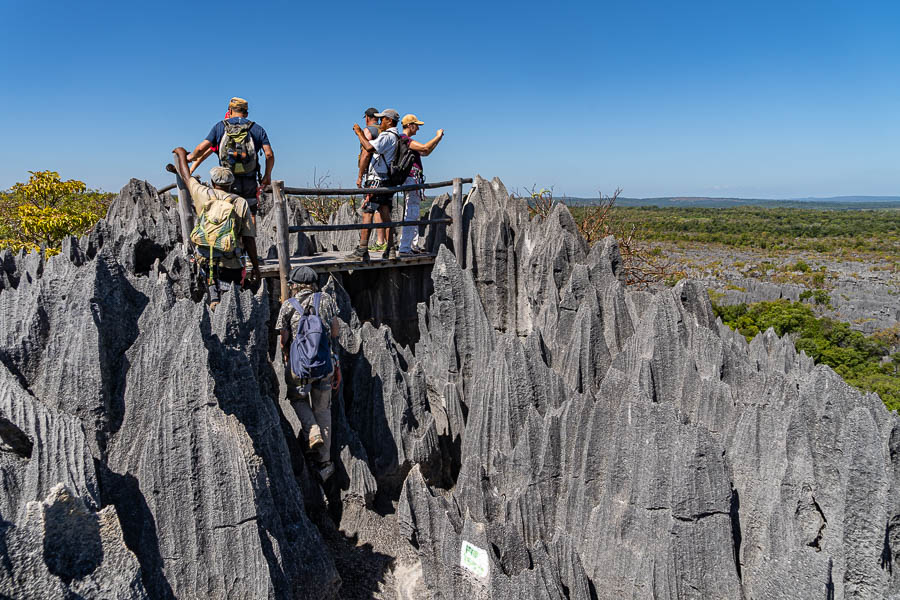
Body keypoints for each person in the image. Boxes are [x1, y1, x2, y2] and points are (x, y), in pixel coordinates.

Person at [171, 147, 261, 312]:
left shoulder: (202, 193)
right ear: (231, 184)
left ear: (213, 182)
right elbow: (249, 239)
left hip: (205, 259)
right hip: (231, 263)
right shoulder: (240, 202)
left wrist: (182, 153)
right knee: (232, 307)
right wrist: (255, 266)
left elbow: (186, 175)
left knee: (210, 302)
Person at [275, 266, 341, 481]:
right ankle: (325, 463)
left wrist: (287, 355)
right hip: (325, 366)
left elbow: (284, 339)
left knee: (296, 398)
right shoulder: (327, 300)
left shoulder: (288, 306)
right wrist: (336, 363)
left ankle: (311, 430)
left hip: (299, 368)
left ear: (294, 285)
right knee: (323, 411)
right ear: (314, 283)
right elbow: (334, 332)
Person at [188, 97, 275, 222]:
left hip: (226, 179)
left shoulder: (220, 127)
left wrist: (190, 157)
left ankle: (229, 240)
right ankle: (249, 240)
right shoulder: (257, 129)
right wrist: (267, 175)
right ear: (246, 113)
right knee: (250, 213)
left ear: (229, 110)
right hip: (249, 178)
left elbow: (202, 149)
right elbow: (269, 155)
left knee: (226, 211)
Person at [347, 109, 402, 261]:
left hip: (376, 180)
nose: (380, 122)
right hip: (387, 180)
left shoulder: (387, 135)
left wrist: (358, 133)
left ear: (389, 121)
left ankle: (362, 250)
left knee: (367, 212)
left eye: (382, 119)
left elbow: (369, 148)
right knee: (385, 214)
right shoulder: (397, 136)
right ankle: (390, 249)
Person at [397, 114, 444, 256]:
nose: (418, 128)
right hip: (411, 178)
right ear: (410, 125)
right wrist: (437, 137)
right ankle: (405, 248)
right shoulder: (404, 139)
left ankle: (413, 245)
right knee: (411, 212)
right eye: (416, 125)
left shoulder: (408, 141)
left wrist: (438, 140)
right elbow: (424, 147)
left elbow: (426, 152)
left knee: (414, 211)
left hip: (414, 178)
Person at [357, 107, 387, 249]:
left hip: (373, 175)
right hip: (386, 176)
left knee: (369, 210)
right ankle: (384, 243)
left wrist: (360, 175)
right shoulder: (384, 131)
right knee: (382, 209)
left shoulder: (368, 131)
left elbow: (366, 152)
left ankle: (363, 247)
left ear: (367, 118)